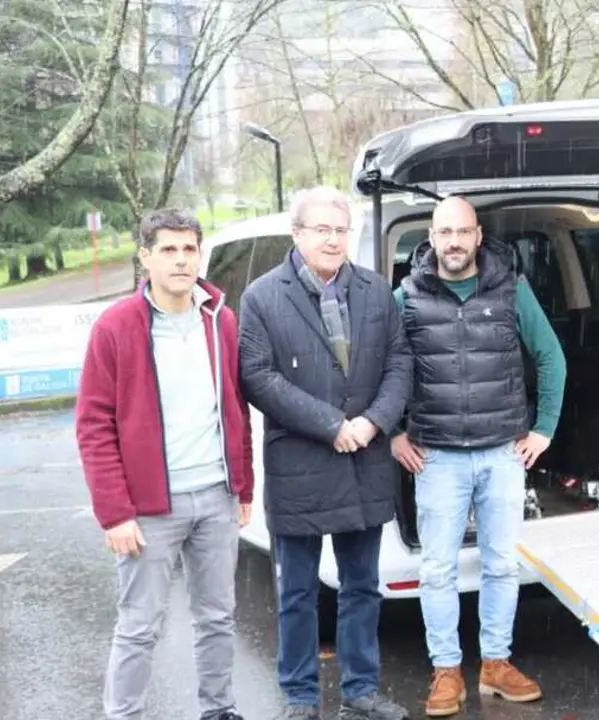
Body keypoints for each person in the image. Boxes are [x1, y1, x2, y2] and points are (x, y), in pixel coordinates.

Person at [237, 186, 413, 720]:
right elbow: (258, 378)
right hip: (301, 467)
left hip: (364, 462)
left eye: (340, 230)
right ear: (298, 234)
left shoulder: (376, 291)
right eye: (321, 229)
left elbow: (400, 361)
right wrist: (331, 425)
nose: (333, 239)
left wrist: (374, 421)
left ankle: (360, 691)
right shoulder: (262, 297)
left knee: (363, 586)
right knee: (297, 594)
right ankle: (299, 696)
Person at [389, 196, 566, 718]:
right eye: (445, 233)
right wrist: (395, 433)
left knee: (501, 565)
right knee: (438, 570)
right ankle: (447, 670)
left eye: (463, 232)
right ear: (432, 237)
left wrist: (544, 430)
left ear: (478, 237)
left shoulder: (511, 289)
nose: (454, 242)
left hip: (502, 453)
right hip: (438, 458)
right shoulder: (407, 297)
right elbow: (385, 370)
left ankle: (494, 664)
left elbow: (550, 355)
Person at [76, 208, 253, 720]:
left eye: (189, 249)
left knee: (217, 617)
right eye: (169, 250)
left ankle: (219, 709)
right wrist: (114, 512)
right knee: (139, 625)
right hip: (150, 508)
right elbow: (93, 424)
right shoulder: (115, 328)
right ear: (145, 257)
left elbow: (234, 406)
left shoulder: (220, 319)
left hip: (216, 496)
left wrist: (242, 486)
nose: (181, 260)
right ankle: (123, 714)